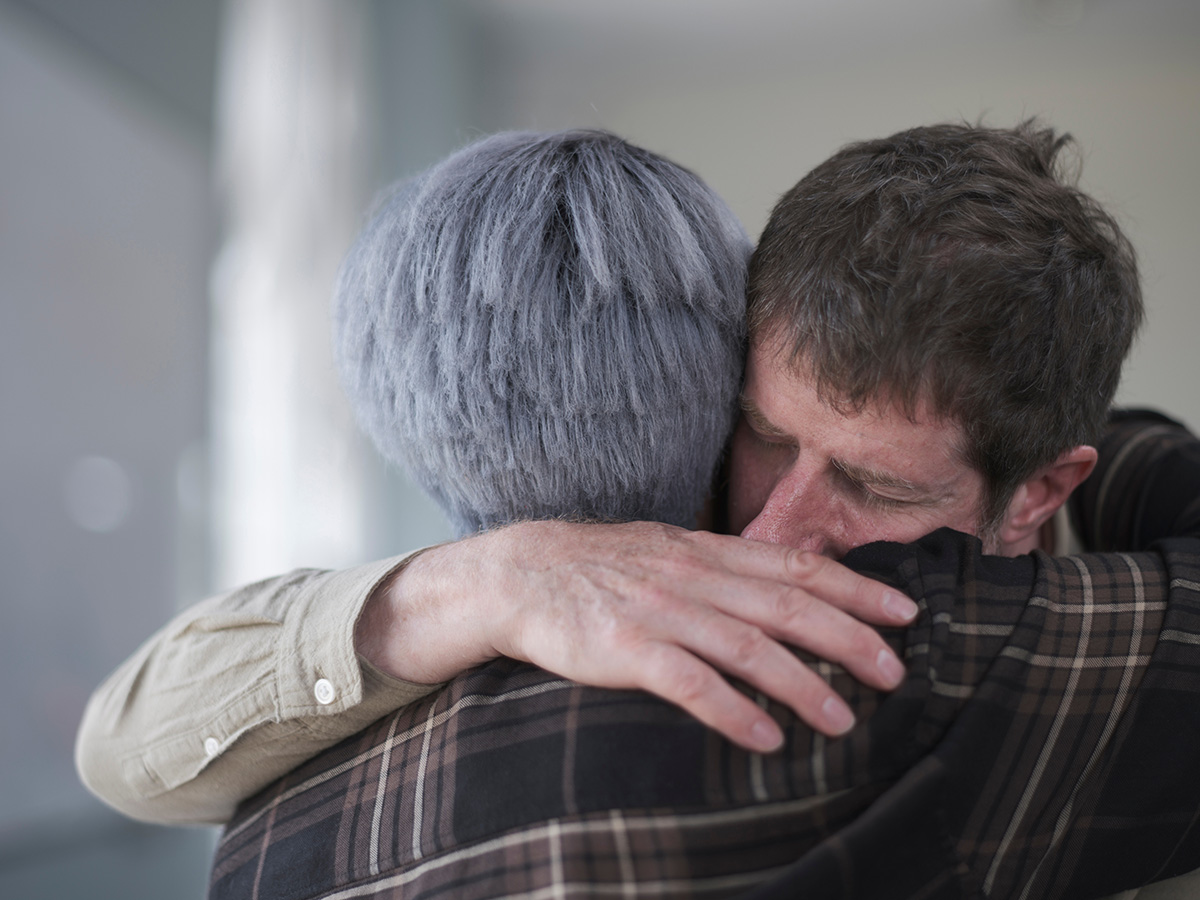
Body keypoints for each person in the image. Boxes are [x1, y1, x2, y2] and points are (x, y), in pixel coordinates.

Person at [81, 123, 1194, 894]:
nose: (774, 532)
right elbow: (121, 743)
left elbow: (129, 748)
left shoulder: (281, 819)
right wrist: (503, 575)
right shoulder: (558, 591)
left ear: (1045, 488)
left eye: (877, 487)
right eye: (762, 436)